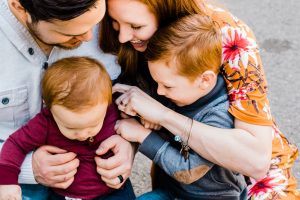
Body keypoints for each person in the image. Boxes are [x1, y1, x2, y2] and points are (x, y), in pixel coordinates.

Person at [100, 0, 299, 199]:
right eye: (115, 23)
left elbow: (255, 161)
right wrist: (128, 141)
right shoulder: (118, 30)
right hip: (180, 170)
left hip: (248, 174)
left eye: (136, 26)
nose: (123, 37)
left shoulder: (228, 35)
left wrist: (161, 117)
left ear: (166, 9)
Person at [0, 0, 135, 198]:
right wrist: (27, 168)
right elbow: (16, 145)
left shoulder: (119, 14)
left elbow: (144, 87)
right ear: (20, 8)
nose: (89, 37)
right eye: (68, 32)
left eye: (95, 23)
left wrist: (130, 143)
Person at [114, 14, 248, 200]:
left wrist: (143, 135)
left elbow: (188, 169)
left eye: (167, 86)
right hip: (171, 190)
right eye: (157, 83)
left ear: (205, 80)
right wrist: (155, 123)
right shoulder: (183, 92)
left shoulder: (218, 115)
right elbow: (182, 138)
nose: (159, 92)